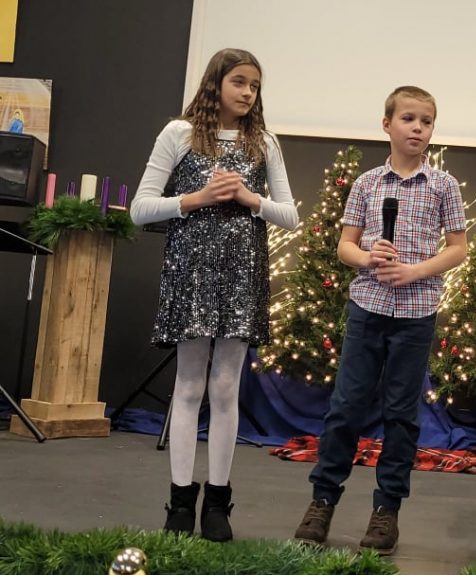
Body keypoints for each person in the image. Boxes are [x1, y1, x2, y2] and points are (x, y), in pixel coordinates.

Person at [131, 48, 299, 542]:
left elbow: (290, 216)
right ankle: (180, 500)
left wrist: (250, 198)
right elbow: (140, 208)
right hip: (192, 273)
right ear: (215, 84)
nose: (248, 93)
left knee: (226, 388)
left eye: (255, 85)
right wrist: (198, 198)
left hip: (242, 274)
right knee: (188, 386)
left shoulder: (264, 143)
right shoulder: (178, 134)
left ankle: (219, 502)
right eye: (239, 82)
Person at [293, 85, 467, 555]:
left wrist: (415, 270)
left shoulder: (443, 185)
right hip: (368, 309)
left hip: (416, 313)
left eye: (426, 122)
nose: (418, 128)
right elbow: (344, 246)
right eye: (408, 119)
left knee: (401, 414)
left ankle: (386, 510)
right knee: (346, 407)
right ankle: (322, 500)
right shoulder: (368, 183)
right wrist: (369, 257)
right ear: (387, 124)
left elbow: (458, 249)